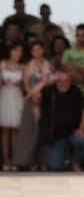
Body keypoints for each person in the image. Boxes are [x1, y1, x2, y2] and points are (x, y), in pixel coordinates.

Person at [39, 70, 84, 172]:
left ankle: (75, 162)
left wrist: (81, 129)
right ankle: (64, 162)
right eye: (60, 81)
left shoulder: (76, 91)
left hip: (73, 132)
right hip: (56, 136)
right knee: (56, 168)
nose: (63, 83)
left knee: (83, 141)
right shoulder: (49, 91)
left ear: (70, 81)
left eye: (66, 81)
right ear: (56, 81)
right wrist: (44, 82)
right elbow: (32, 96)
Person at [15, 41, 51, 169]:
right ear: (31, 52)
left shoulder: (48, 65)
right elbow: (25, 84)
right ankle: (25, 162)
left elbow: (49, 82)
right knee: (28, 131)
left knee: (42, 131)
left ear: (43, 50)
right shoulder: (28, 66)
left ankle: (42, 162)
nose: (37, 52)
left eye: (39, 49)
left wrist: (39, 92)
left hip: (45, 101)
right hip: (30, 101)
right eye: (34, 50)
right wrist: (34, 95)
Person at [0, 43, 25, 170]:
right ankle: (6, 160)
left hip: (16, 97)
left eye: (20, 51)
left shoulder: (23, 67)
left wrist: (19, 84)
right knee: (5, 130)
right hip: (4, 97)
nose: (18, 54)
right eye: (16, 50)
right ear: (10, 51)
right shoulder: (2, 64)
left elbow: (25, 84)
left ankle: (15, 160)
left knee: (15, 130)